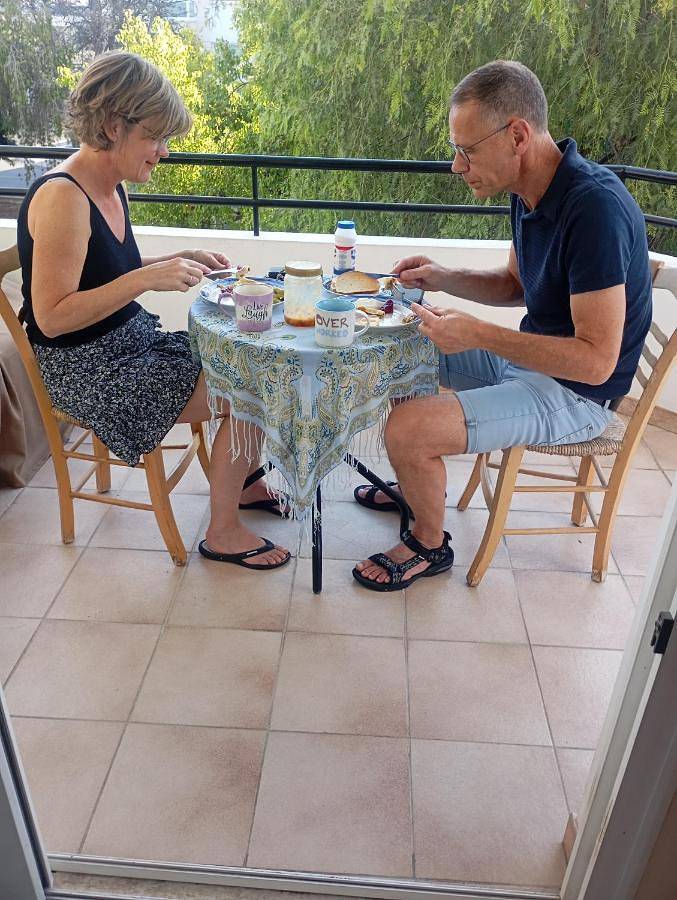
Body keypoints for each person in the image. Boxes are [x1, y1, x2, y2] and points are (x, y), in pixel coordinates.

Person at [353, 59, 652, 592]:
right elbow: (515, 285)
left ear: (517, 135)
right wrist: (443, 277)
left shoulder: (593, 210)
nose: (455, 165)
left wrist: (479, 334)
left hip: (577, 395)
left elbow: (596, 359)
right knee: (398, 346)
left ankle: (428, 541)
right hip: (529, 363)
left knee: (409, 428)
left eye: (466, 150)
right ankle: (419, 484)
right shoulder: (531, 191)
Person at [18, 51, 290, 570]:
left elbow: (101, 267)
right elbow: (51, 316)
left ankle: (246, 485)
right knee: (248, 388)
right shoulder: (63, 198)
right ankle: (224, 531)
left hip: (129, 345)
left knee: (255, 362)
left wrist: (175, 258)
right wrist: (147, 279)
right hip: (88, 370)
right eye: (156, 137)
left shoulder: (110, 184)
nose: (163, 152)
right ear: (112, 125)